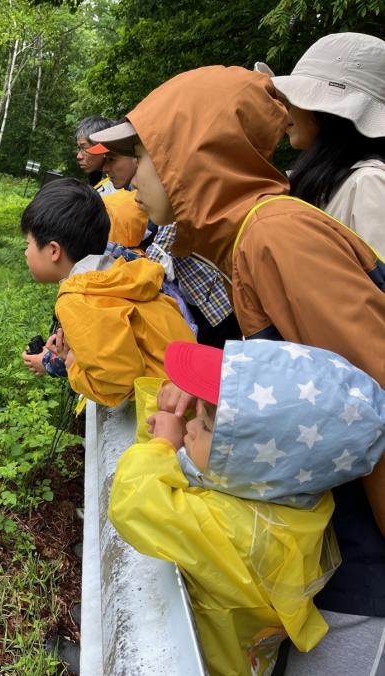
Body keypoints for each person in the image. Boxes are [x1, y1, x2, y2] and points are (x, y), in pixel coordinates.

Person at [90, 64, 385, 673]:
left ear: (189, 155)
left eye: (139, 155)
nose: (129, 179)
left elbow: (374, 393)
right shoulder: (248, 238)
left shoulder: (277, 236)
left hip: (365, 570)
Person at [111, 338, 385, 675]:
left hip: (217, 662)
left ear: (250, 463)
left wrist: (162, 444)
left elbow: (133, 501)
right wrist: (185, 409)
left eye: (207, 424)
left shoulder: (236, 531)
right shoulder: (293, 491)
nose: (192, 425)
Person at [20, 178, 194, 406]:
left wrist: (72, 363)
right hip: (190, 387)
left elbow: (117, 383)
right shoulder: (118, 272)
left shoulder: (79, 298)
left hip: (167, 406)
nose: (25, 253)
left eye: (28, 244)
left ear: (54, 250)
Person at [89, 136, 240, 349]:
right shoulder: (132, 198)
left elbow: (155, 264)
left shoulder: (170, 200)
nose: (105, 169)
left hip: (215, 312)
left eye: (112, 159)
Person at [256, 32, 385, 254]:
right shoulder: (332, 183)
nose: (286, 112)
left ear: (329, 112)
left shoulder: (368, 184)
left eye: (294, 100)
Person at [74, 116, 117, 195]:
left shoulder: (124, 183)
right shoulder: (96, 177)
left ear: (104, 145)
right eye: (79, 148)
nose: (79, 156)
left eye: (84, 147)